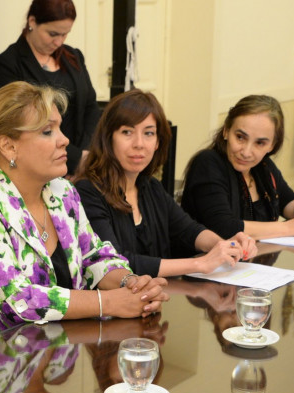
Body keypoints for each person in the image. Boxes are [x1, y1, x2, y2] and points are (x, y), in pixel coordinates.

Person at [0, 81, 168, 355]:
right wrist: (108, 303)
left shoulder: (62, 191)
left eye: (59, 127)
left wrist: (132, 284)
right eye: (47, 131)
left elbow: (94, 256)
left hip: (49, 360)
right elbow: (19, 302)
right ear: (9, 147)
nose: (64, 139)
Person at [76, 89, 258, 277]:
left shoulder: (150, 187)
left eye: (148, 133)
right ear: (108, 139)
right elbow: (115, 263)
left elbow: (189, 230)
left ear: (157, 142)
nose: (139, 143)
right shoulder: (88, 192)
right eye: (127, 132)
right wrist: (199, 263)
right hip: (114, 303)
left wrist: (225, 245)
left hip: (156, 298)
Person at [181, 95, 294, 242]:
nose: (246, 152)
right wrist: (289, 227)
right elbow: (224, 228)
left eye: (260, 143)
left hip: (253, 264)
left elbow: (287, 199)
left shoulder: (262, 166)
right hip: (207, 264)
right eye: (240, 137)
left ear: (272, 145)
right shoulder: (208, 163)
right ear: (226, 131)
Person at [0, 0, 100, 176]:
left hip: (81, 165)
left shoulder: (74, 56)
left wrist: (87, 153)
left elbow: (91, 107)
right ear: (32, 22)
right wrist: (76, 158)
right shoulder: (7, 65)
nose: (58, 42)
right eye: (53, 34)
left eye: (65, 34)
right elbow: (19, 125)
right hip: (36, 169)